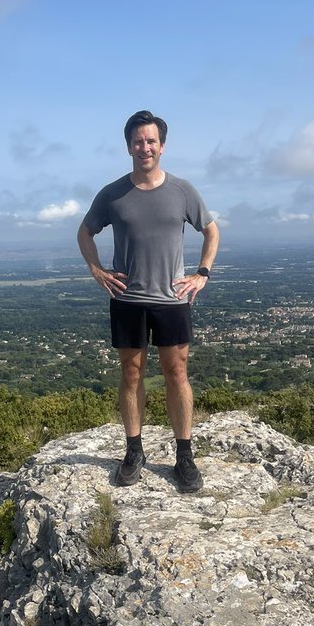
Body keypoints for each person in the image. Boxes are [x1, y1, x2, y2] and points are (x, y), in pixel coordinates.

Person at [77, 110, 220, 492]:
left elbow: (211, 230)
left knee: (177, 374)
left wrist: (202, 274)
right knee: (131, 374)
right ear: (128, 147)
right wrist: (96, 270)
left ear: (162, 146)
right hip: (127, 298)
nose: (145, 147)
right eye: (138, 141)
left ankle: (184, 456)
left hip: (171, 299)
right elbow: (85, 231)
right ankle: (134, 450)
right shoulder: (112, 194)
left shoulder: (182, 191)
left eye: (151, 141)